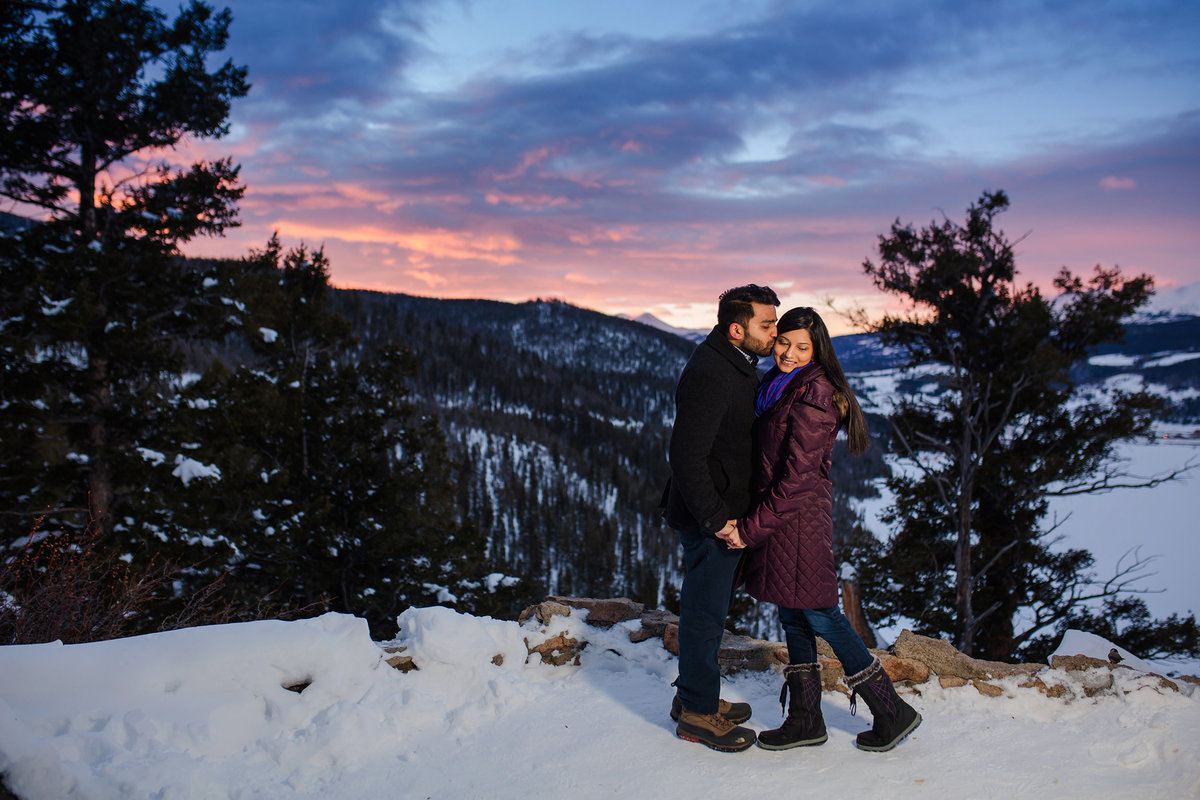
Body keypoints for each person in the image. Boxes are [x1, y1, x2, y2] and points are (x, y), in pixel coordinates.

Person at [720, 307, 921, 753]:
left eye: (801, 347)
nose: (789, 353)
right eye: (783, 342)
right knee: (793, 611)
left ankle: (891, 710)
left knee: (819, 611)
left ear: (818, 350)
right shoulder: (780, 385)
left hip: (796, 520)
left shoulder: (815, 393)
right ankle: (805, 719)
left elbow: (798, 479)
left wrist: (750, 530)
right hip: (785, 519)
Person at [662, 284, 779, 752]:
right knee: (704, 615)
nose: (774, 333)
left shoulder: (735, 362)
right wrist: (717, 520)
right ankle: (696, 715)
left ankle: (693, 697)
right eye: (766, 325)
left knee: (707, 610)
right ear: (737, 329)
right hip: (711, 518)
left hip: (721, 513)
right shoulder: (712, 372)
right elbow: (686, 456)